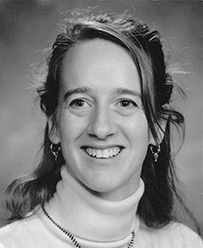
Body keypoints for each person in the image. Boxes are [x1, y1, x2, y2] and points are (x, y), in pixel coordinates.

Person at [0, 12, 202, 248]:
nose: (101, 128)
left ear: (157, 127)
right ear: (54, 125)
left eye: (126, 103)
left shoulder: (184, 243)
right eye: (80, 102)